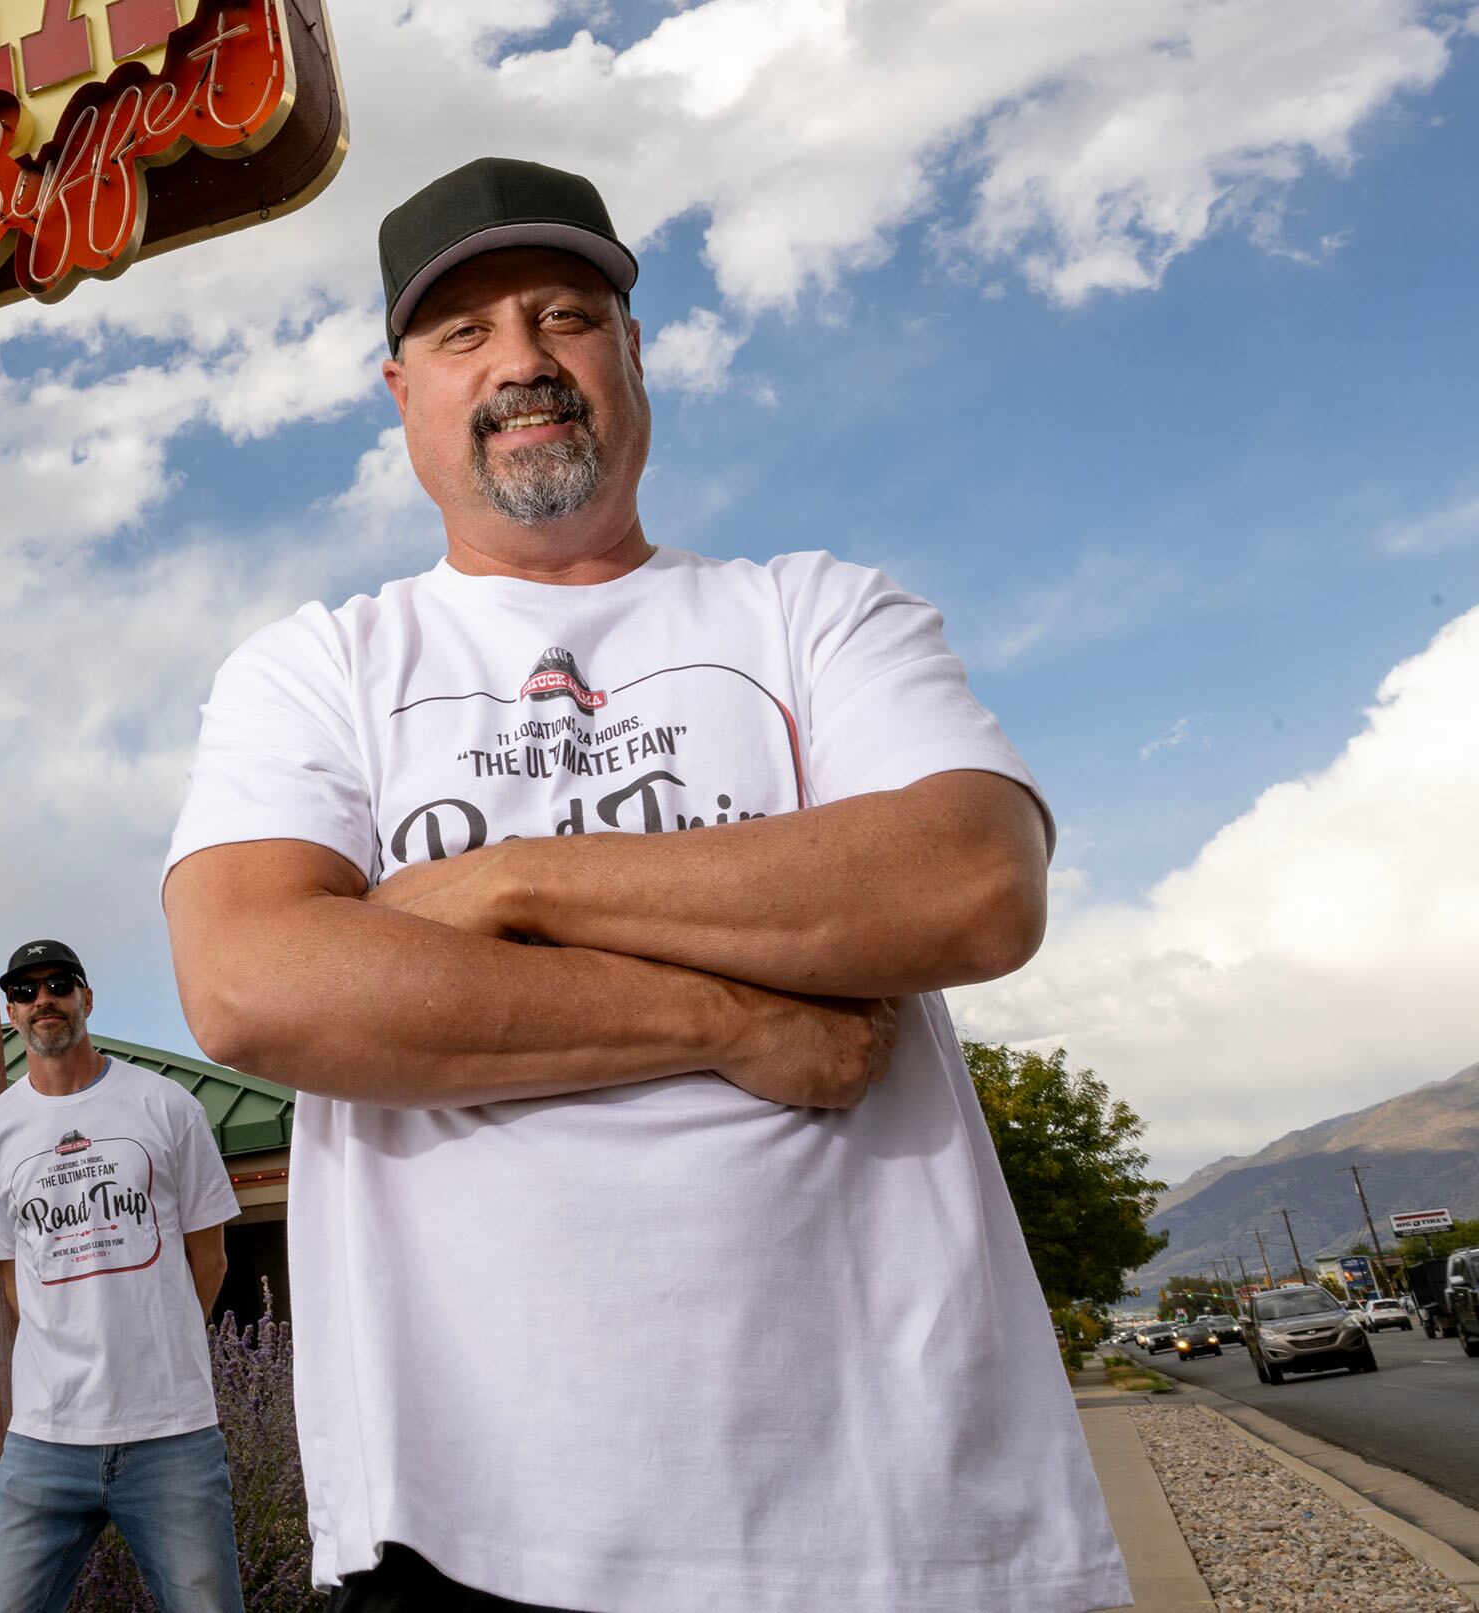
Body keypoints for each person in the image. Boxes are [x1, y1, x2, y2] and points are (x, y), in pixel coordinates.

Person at [162, 156, 1129, 1613]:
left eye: (565, 316)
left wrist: (502, 885)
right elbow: (256, 985)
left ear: (629, 354)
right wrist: (736, 1022)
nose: (523, 363)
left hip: (907, 1507)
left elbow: (973, 879)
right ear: (400, 390)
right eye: (464, 335)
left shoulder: (815, 614)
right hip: (475, 1525)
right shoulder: (322, 669)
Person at [0, 939, 243, 1613]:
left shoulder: (168, 1107)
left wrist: (158, 1341)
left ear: (87, 998)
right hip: (44, 1440)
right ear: (11, 1011)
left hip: (171, 1434)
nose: (44, 1000)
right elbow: (13, 1280)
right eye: (26, 991)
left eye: (59, 983)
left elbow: (211, 1259)